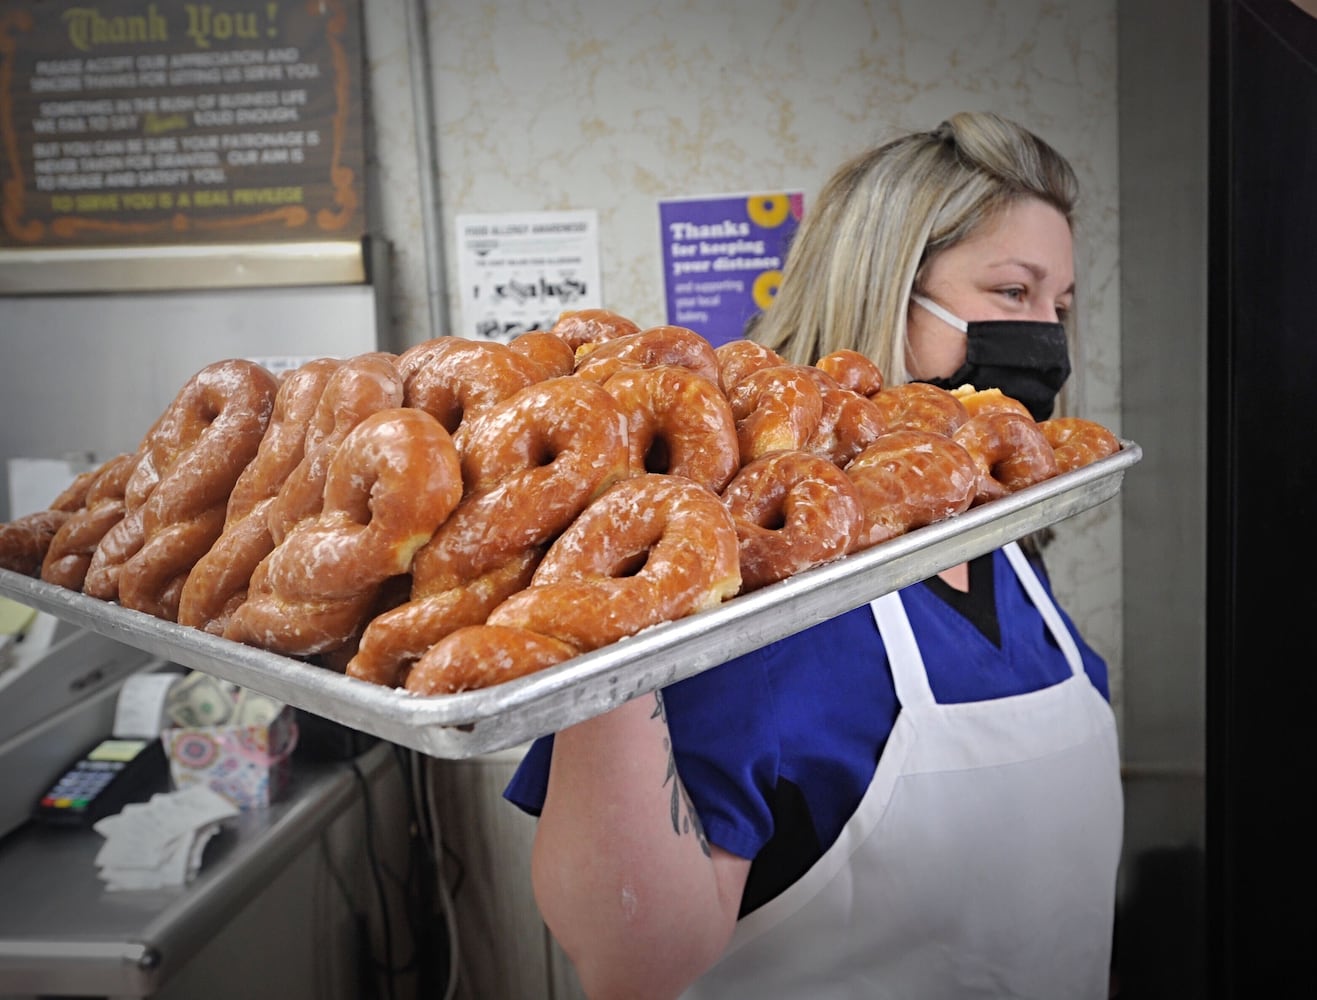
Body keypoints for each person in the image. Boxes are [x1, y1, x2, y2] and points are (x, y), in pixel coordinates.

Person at [503, 111, 1122, 999]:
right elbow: (631, 962)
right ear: (885, 286)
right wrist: (604, 585)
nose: (1047, 336)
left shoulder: (1002, 540)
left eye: (1058, 305)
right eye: (1012, 292)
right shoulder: (748, 579)